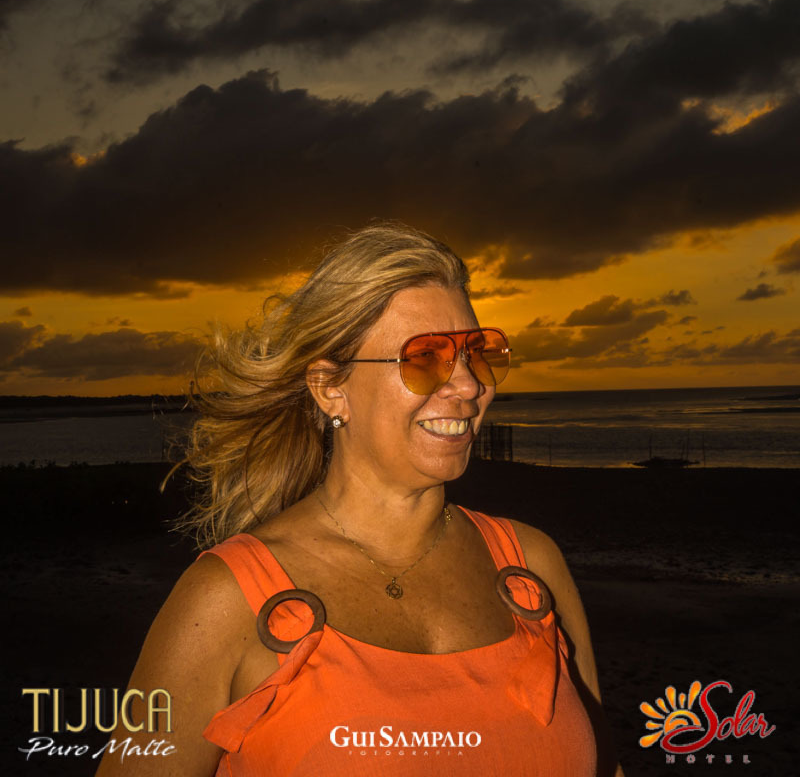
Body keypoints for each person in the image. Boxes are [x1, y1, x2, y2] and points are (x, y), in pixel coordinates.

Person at [96, 222, 622, 776]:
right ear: (329, 388)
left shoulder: (531, 567)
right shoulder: (227, 599)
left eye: (478, 353)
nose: (469, 385)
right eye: (425, 359)